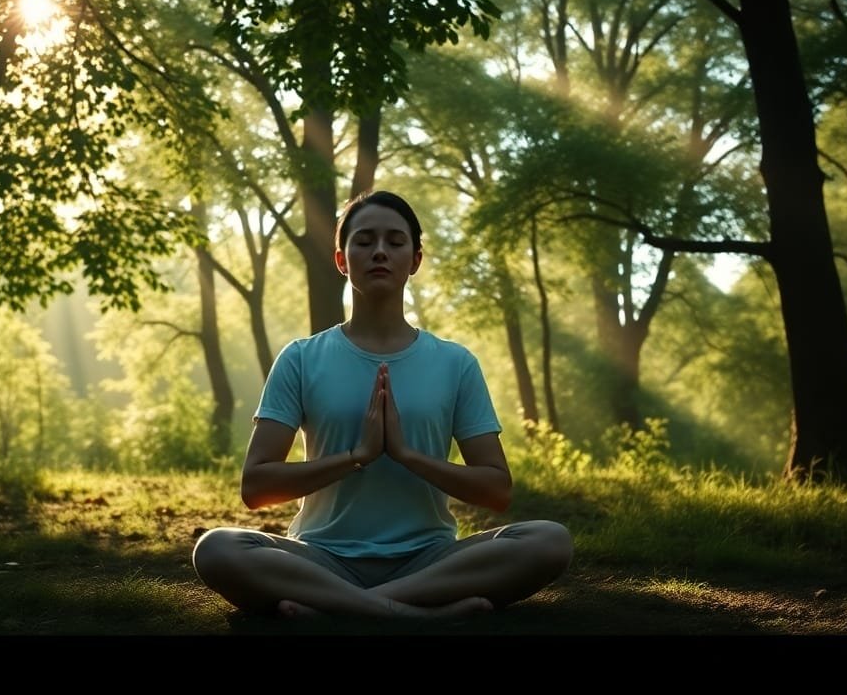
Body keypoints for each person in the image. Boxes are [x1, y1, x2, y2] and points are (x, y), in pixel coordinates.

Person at [192, 190, 573, 619]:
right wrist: (358, 456)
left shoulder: (455, 363)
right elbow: (257, 488)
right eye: (364, 241)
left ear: (415, 260)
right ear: (342, 260)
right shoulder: (301, 358)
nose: (379, 252)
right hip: (321, 559)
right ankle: (415, 615)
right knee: (216, 548)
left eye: (394, 242)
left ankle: (351, 609)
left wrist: (408, 456)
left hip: (429, 560)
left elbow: (497, 491)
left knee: (549, 539)